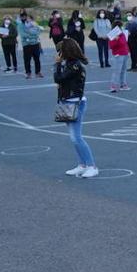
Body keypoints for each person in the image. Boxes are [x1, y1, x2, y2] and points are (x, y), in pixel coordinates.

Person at [53, 37, 99, 178]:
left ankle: (92, 166)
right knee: (73, 137)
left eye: (60, 51)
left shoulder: (74, 65)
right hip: (67, 101)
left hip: (75, 102)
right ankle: (82, 164)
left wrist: (57, 65)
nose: (59, 54)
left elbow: (59, 78)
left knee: (76, 137)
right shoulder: (69, 63)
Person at [108, 19, 131, 92]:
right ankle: (113, 85)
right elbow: (111, 46)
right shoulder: (113, 34)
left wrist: (128, 51)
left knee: (123, 70)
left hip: (124, 53)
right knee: (117, 71)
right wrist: (116, 39)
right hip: (118, 54)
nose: (122, 27)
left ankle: (123, 84)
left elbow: (125, 43)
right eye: (121, 26)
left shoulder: (122, 33)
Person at [20, 13, 44, 79]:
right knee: (27, 59)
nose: (28, 19)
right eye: (27, 18)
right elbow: (23, 35)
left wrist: (31, 34)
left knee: (37, 58)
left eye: (29, 18)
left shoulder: (35, 25)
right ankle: (28, 73)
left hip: (35, 44)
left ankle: (38, 72)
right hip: (26, 45)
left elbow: (37, 33)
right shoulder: (22, 25)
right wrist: (32, 35)